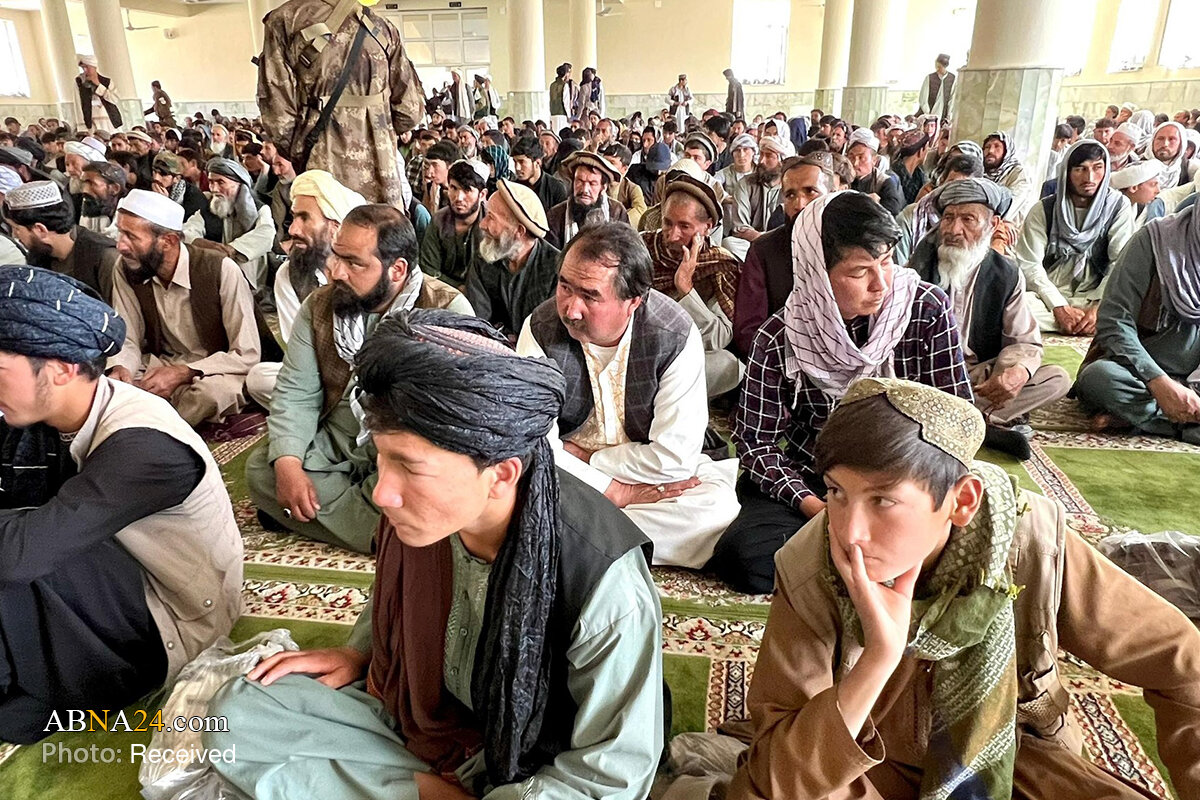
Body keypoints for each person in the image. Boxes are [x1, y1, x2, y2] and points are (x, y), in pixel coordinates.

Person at [208, 309, 664, 800]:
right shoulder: (426, 518)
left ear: (501, 474)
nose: (381, 493)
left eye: (409, 467)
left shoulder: (602, 579)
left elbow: (610, 777)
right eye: (382, 459)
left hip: (536, 762)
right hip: (429, 718)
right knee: (236, 711)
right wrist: (358, 652)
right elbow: (395, 595)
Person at [728, 375, 1200, 800]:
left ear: (962, 501)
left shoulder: (1029, 542)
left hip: (1014, 759)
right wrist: (877, 659)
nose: (850, 532)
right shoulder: (812, 566)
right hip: (865, 763)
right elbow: (776, 778)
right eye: (836, 492)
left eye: (883, 500)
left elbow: (1183, 663)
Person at [0, 266, 243, 744]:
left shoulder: (144, 447)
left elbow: (22, 554)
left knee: (18, 554)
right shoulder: (50, 414)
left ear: (61, 368)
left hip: (170, 620)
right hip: (110, 576)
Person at [716, 191, 972, 594]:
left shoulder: (924, 311)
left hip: (905, 484)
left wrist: (900, 499)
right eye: (860, 272)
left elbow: (958, 420)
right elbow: (756, 442)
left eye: (887, 262)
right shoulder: (782, 336)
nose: (880, 283)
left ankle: (846, 556)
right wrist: (819, 507)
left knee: (972, 540)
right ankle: (872, 558)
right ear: (817, 273)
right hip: (817, 481)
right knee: (745, 557)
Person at [517, 223, 740, 568]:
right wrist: (614, 490)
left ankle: (571, 540)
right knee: (514, 481)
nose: (571, 309)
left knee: (715, 509)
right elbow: (535, 442)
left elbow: (673, 459)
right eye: (565, 287)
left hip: (643, 475)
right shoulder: (540, 329)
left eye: (590, 296)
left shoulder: (674, 335)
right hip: (570, 478)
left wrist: (590, 459)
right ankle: (604, 542)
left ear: (633, 301)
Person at [248, 205, 470, 552]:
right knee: (264, 468)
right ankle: (383, 531)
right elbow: (295, 392)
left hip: (405, 448)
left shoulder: (445, 311)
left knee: (435, 486)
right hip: (339, 439)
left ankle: (325, 516)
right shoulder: (320, 306)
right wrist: (289, 464)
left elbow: (453, 420)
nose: (336, 271)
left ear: (397, 270)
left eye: (354, 263)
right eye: (337, 256)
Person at [906, 178, 1071, 458]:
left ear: (993, 225)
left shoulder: (1005, 274)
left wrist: (1015, 373)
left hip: (976, 377)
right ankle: (980, 423)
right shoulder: (918, 266)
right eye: (948, 218)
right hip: (926, 374)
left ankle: (954, 421)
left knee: (1056, 379)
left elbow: (1023, 341)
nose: (954, 230)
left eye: (967, 219)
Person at [108, 190, 268, 426]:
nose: (120, 245)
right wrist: (122, 369)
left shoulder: (220, 269)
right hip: (159, 365)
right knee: (108, 385)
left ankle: (157, 429)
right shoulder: (127, 267)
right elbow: (128, 338)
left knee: (210, 394)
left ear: (168, 241)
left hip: (214, 370)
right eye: (121, 232)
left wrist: (185, 372)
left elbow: (246, 353)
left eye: (131, 236)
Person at [257, 0, 424, 206]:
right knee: (383, 225)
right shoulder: (382, 27)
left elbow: (278, 117)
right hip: (383, 174)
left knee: (329, 224)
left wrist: (302, 150)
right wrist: (378, 127)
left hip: (322, 171)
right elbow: (409, 111)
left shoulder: (284, 21)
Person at [1075, 199, 1200, 444]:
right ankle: (1185, 425)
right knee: (1098, 378)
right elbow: (1114, 321)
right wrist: (1158, 381)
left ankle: (1151, 421)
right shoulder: (1156, 240)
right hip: (1140, 373)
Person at [244, 170, 367, 407]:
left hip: (368, 372)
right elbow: (298, 351)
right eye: (293, 217)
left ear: (334, 227)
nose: (293, 230)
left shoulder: (366, 271)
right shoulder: (289, 275)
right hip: (318, 374)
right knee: (259, 378)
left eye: (304, 218)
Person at [1014, 141, 1134, 335]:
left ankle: (1085, 321)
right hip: (1049, 296)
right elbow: (1029, 264)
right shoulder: (1044, 210)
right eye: (1080, 169)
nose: (1090, 178)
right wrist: (1058, 306)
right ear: (1066, 172)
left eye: (1097, 168)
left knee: (1131, 309)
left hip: (1094, 296)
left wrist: (1098, 307)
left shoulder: (1118, 207)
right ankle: (1081, 323)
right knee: (1015, 305)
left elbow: (1119, 262)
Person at [643, 175, 743, 397]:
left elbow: (719, 338)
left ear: (707, 227)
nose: (672, 235)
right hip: (637, 346)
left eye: (684, 226)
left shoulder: (718, 265)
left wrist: (685, 288)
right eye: (667, 223)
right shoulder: (642, 248)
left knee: (729, 364)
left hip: (679, 353)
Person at [733, 153, 837, 357]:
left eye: (810, 191)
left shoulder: (851, 245)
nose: (800, 204)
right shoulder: (764, 250)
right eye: (790, 195)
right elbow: (748, 332)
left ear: (832, 194)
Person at [465, 178, 560, 338]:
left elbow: (548, 334)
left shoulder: (556, 270)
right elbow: (476, 322)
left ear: (519, 231)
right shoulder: (485, 256)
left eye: (491, 217)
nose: (482, 224)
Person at [3, 180, 119, 301]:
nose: (15, 235)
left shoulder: (105, 257)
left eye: (16, 229)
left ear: (40, 230)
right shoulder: (40, 255)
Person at [182, 157, 277, 291]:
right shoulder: (209, 208)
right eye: (211, 182)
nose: (214, 189)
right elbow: (187, 230)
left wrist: (232, 249)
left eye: (221, 182)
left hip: (251, 273)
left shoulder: (260, 209)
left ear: (239, 184)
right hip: (216, 269)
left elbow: (266, 234)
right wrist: (201, 243)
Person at [420, 159, 487, 288]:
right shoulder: (439, 221)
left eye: (467, 190)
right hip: (444, 291)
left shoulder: (492, 225)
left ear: (482, 194)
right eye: (454, 188)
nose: (458, 198)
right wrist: (457, 289)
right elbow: (428, 269)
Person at [546, 150, 630, 249]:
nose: (585, 190)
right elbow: (550, 254)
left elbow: (626, 250)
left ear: (603, 187)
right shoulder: (556, 215)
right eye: (579, 181)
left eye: (592, 183)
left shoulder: (617, 212)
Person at [723, 135, 787, 260]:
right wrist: (764, 239)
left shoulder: (790, 187)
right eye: (761, 155)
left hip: (780, 244)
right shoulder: (745, 184)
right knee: (729, 244)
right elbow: (740, 227)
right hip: (752, 243)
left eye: (768, 156)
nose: (761, 161)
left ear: (782, 161)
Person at [845, 130, 905, 216]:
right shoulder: (843, 178)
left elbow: (893, 210)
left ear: (874, 160)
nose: (855, 163)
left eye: (861, 158)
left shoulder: (884, 182)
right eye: (851, 157)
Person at [983, 131, 1037, 225]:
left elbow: (1012, 204)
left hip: (1005, 227)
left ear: (1006, 151)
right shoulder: (980, 172)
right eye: (987, 147)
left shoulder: (1018, 173)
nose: (990, 151)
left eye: (997, 146)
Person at [511, 134, 567, 214]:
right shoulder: (513, 188)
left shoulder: (556, 188)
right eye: (515, 162)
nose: (517, 168)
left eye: (521, 162)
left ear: (537, 163)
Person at [600, 142, 648, 229]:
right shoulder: (596, 184)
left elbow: (640, 211)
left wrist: (619, 221)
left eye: (612, 163)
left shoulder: (632, 189)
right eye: (604, 161)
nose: (605, 166)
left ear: (624, 169)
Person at [1111, 159, 1166, 229]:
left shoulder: (1139, 207)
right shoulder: (1113, 209)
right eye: (1153, 185)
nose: (1158, 191)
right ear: (1133, 188)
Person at [151, 151, 206, 220]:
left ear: (177, 178)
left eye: (163, 174)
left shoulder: (194, 198)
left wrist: (166, 203)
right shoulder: (147, 185)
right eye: (154, 171)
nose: (156, 178)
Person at [76, 55, 122, 132]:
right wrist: (82, 126)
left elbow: (114, 99)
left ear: (94, 67)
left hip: (109, 121)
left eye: (87, 67)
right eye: (83, 68)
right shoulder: (79, 82)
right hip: (92, 123)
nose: (85, 70)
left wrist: (98, 85)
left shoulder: (107, 81)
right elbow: (78, 104)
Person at [918, 53, 955, 121]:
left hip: (943, 114)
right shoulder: (929, 77)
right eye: (936, 66)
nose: (937, 69)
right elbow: (923, 98)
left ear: (945, 66)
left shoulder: (952, 78)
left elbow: (952, 98)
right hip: (929, 113)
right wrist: (928, 113)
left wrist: (949, 114)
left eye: (939, 67)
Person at [548, 62, 576, 133]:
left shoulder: (552, 85)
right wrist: (569, 116)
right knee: (562, 134)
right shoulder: (564, 85)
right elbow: (565, 102)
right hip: (562, 114)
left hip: (553, 114)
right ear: (566, 74)